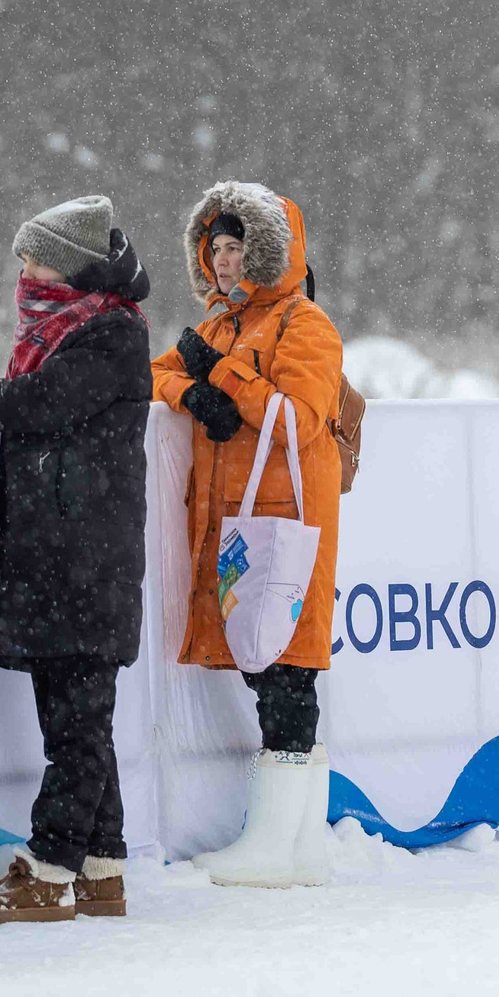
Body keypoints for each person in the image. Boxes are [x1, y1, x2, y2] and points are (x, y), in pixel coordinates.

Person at [0, 197, 152, 926]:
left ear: (70, 265)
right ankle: (102, 868)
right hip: (64, 560)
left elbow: (37, 404)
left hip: (85, 562)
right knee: (78, 720)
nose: (25, 271)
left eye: (37, 258)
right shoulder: (67, 328)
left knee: (74, 722)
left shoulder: (110, 334)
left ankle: (50, 869)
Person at [152, 181, 346, 885]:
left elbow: (300, 417)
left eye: (238, 247)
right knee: (270, 670)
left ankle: (277, 844)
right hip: (238, 527)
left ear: (268, 252)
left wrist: (224, 377)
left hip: (287, 522)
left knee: (288, 669)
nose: (226, 261)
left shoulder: (306, 325)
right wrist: (191, 389)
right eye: (217, 248)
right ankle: (300, 845)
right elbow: (152, 378)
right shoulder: (218, 326)